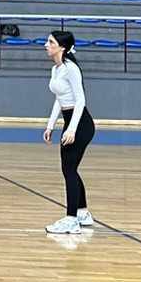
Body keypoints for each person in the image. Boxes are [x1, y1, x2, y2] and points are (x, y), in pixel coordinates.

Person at [41, 30, 97, 233]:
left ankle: (71, 220)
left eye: (50, 42)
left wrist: (72, 129)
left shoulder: (71, 69)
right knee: (70, 169)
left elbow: (80, 100)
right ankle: (82, 213)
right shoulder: (56, 69)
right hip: (70, 121)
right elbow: (60, 99)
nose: (46, 45)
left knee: (69, 170)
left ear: (62, 47)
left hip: (81, 124)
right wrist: (50, 125)